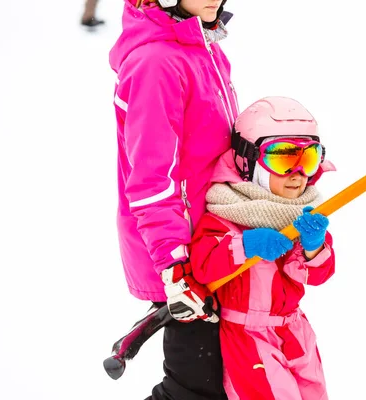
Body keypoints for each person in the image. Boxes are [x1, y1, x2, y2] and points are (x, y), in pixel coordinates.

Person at [108, 0, 237, 399]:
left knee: (219, 381)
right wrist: (174, 265)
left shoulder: (206, 48)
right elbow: (151, 177)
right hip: (183, 250)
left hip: (214, 241)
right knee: (195, 391)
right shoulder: (156, 63)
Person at [189, 96, 336, 400]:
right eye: (282, 158)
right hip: (248, 338)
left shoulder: (303, 213)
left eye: (308, 158)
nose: (298, 173)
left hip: (294, 331)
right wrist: (245, 245)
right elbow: (202, 266)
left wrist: (314, 246)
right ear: (249, 161)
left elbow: (320, 274)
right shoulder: (226, 212)